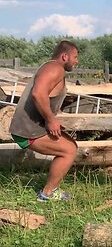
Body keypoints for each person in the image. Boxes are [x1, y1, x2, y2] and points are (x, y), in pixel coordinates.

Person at [9, 40, 79, 201]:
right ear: (64, 56)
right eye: (75, 57)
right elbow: (38, 94)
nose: (77, 61)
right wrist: (50, 120)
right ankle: (47, 194)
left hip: (29, 128)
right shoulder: (55, 69)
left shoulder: (51, 67)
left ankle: (49, 192)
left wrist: (54, 113)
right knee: (68, 150)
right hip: (28, 130)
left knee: (70, 146)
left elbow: (47, 97)